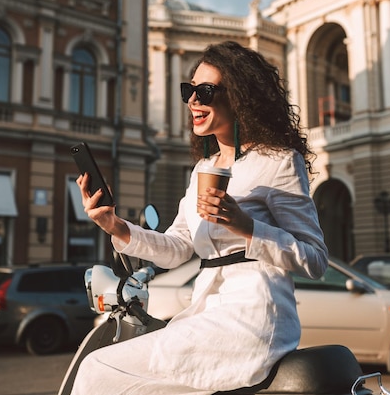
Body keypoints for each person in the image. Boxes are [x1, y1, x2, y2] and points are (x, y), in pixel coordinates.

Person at [71, 41, 329, 395]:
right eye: (188, 91)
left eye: (205, 91)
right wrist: (114, 225)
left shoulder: (278, 161)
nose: (193, 100)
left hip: (253, 319)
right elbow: (178, 248)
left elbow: (315, 259)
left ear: (240, 96)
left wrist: (247, 227)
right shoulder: (202, 169)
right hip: (205, 314)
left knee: (97, 369)